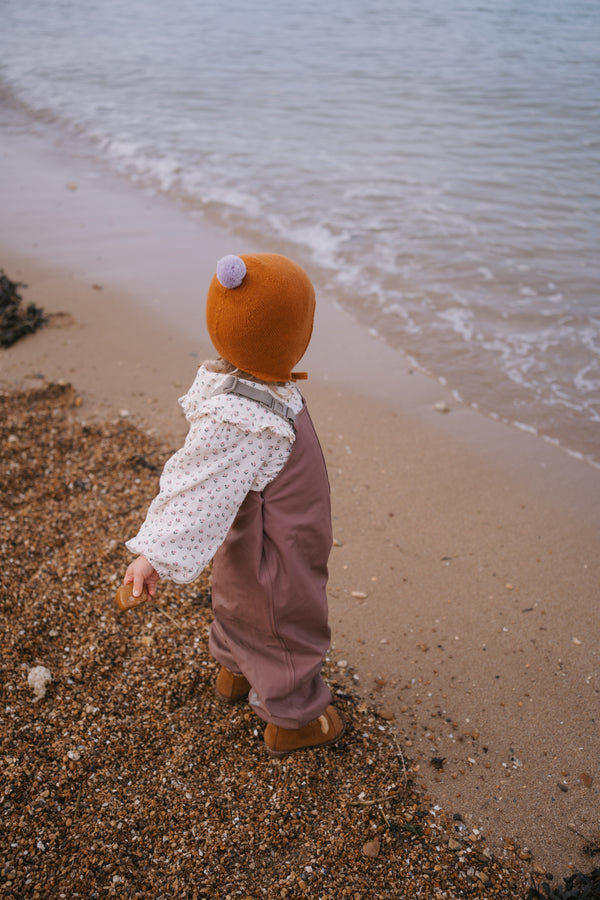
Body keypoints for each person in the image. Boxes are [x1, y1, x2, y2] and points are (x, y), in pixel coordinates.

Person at [122, 253, 345, 758]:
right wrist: (154, 553)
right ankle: (292, 718)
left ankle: (234, 672)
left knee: (240, 596)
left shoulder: (249, 387)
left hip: (254, 538)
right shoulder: (245, 421)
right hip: (279, 546)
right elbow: (194, 486)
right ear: (294, 334)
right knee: (284, 614)